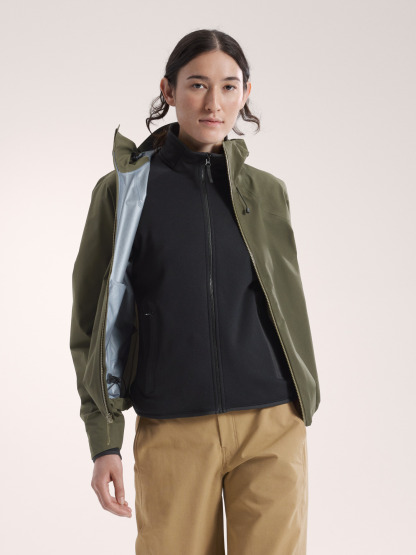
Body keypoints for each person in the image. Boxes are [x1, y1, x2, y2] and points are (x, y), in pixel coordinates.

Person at [70, 28, 321, 555]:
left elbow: (285, 304)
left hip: (272, 421)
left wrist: (303, 397)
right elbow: (93, 324)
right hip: (173, 425)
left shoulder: (266, 192)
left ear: (245, 93)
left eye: (229, 86)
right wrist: (104, 440)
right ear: (168, 90)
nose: (214, 103)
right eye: (197, 85)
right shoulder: (125, 192)